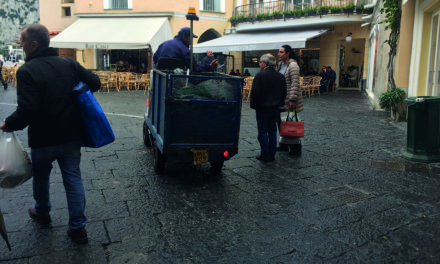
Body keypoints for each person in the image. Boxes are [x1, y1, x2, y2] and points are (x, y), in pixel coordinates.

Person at [0, 24, 101, 244]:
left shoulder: (26, 71)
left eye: (23, 42)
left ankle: (42, 212)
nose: (21, 45)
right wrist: (74, 93)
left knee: (41, 175)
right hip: (71, 134)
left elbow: (28, 110)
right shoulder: (68, 64)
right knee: (73, 177)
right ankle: (78, 228)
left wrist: (9, 124)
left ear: (33, 45)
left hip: (43, 138)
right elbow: (95, 82)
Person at [250, 54, 286, 162]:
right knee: (272, 131)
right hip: (275, 108)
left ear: (265, 63)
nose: (259, 64)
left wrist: (254, 105)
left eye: (260, 62)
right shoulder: (280, 76)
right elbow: (284, 93)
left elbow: (255, 93)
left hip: (262, 107)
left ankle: (265, 153)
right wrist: (279, 103)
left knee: (262, 131)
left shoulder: (260, 75)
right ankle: (272, 154)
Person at [276, 44, 303, 151]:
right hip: (280, 99)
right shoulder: (279, 65)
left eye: (281, 52)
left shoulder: (293, 66)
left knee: (291, 123)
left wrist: (292, 99)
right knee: (281, 121)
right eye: (279, 52)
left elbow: (295, 84)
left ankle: (296, 147)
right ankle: (284, 144)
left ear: (288, 53)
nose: (279, 54)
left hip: (289, 99)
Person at [153, 27, 218, 72]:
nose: (191, 41)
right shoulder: (185, 50)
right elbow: (194, 67)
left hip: (158, 80)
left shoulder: (164, 43)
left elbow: (154, 59)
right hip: (175, 81)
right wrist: (209, 66)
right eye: (191, 38)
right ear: (184, 37)